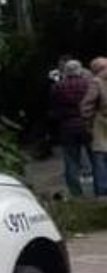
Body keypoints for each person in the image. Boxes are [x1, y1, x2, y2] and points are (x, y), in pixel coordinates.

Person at [50, 59, 94, 197]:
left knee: (70, 161)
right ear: (80, 70)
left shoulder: (58, 87)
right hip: (87, 125)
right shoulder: (88, 84)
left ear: (66, 72)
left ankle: (76, 193)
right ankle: (101, 189)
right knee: (96, 158)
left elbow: (54, 108)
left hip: (67, 126)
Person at [82, 57, 107, 196]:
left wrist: (88, 121)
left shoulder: (96, 82)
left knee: (100, 157)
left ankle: (103, 191)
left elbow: (87, 105)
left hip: (101, 123)